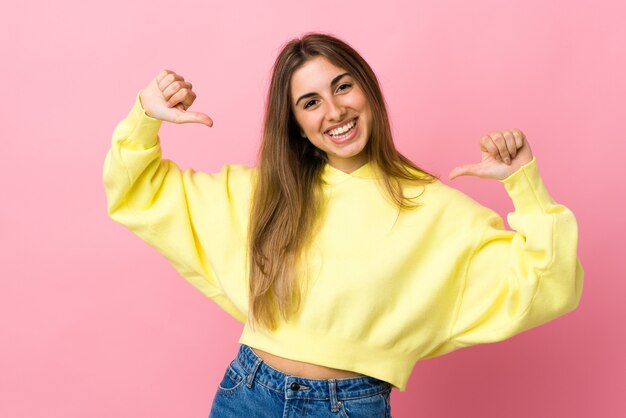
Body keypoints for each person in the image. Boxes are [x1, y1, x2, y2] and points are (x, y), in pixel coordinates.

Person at [102, 33, 584, 417]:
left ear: (368, 90)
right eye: (309, 102)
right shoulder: (261, 194)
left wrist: (524, 182)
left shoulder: (437, 211)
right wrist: (145, 116)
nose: (333, 111)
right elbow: (136, 192)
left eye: (342, 86)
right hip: (247, 395)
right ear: (295, 123)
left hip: (350, 406)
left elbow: (549, 286)